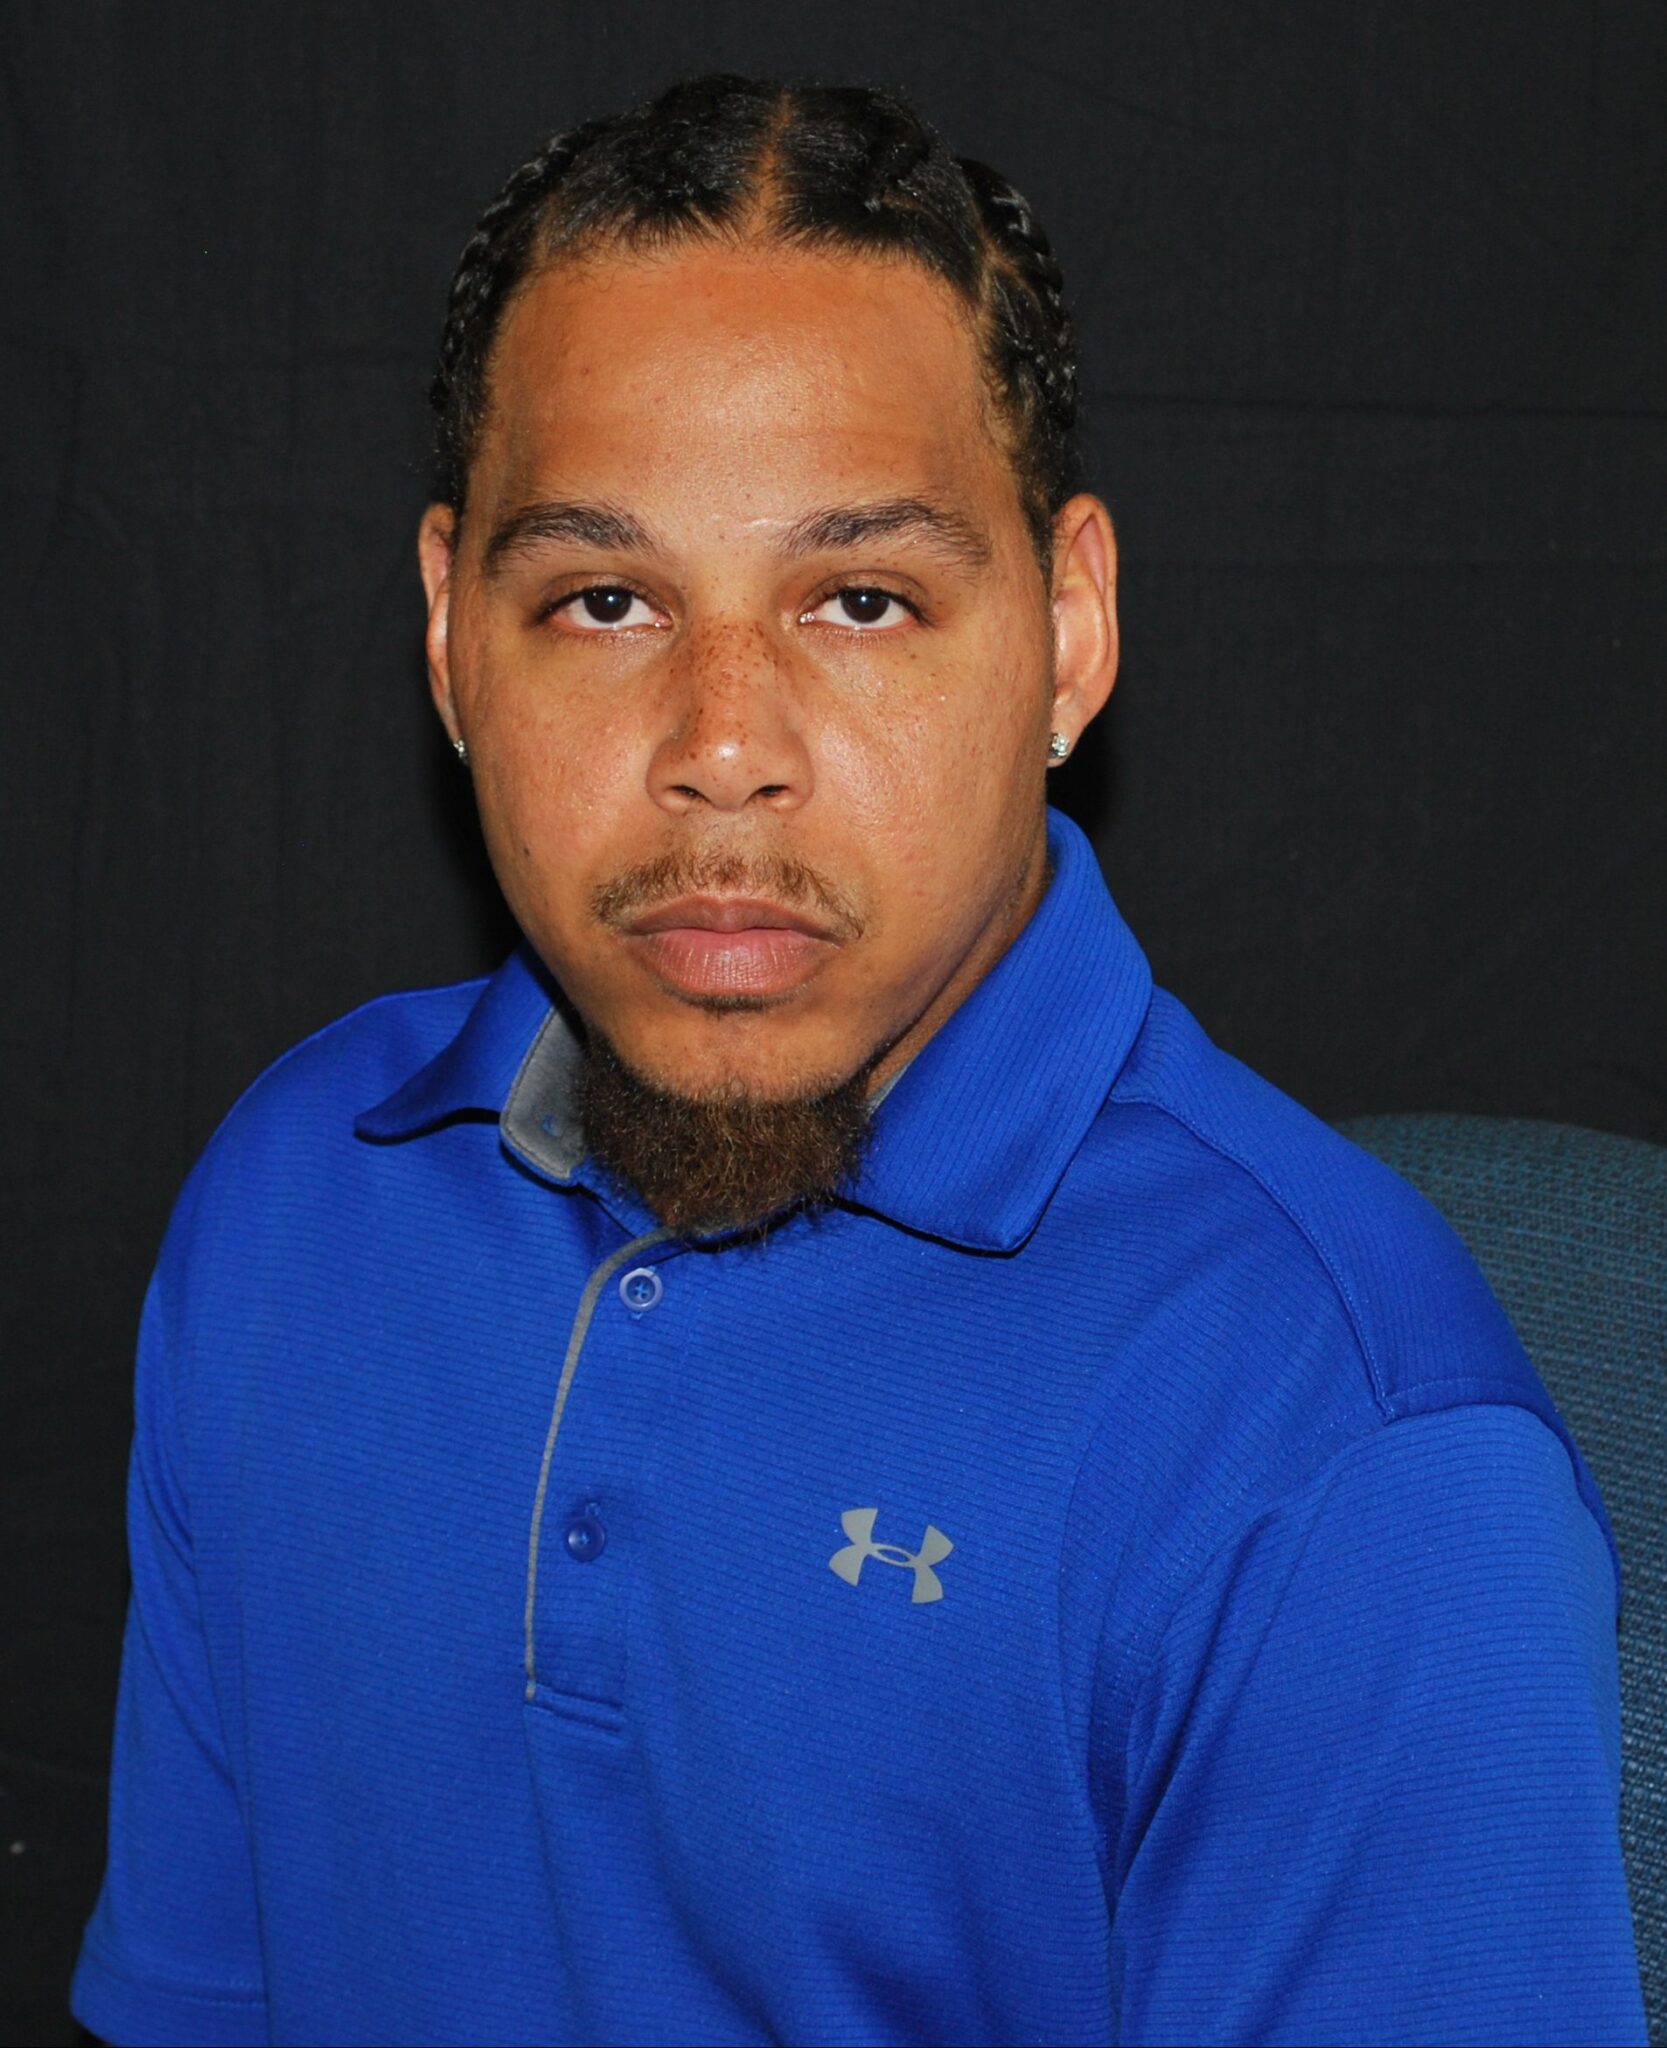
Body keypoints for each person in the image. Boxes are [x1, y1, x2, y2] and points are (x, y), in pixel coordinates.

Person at [71, 73, 1645, 2048]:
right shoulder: (290, 1197)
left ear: (1069, 633)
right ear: (453, 639)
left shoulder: (1349, 1455)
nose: (725, 745)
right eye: (605, 600)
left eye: (863, 599)